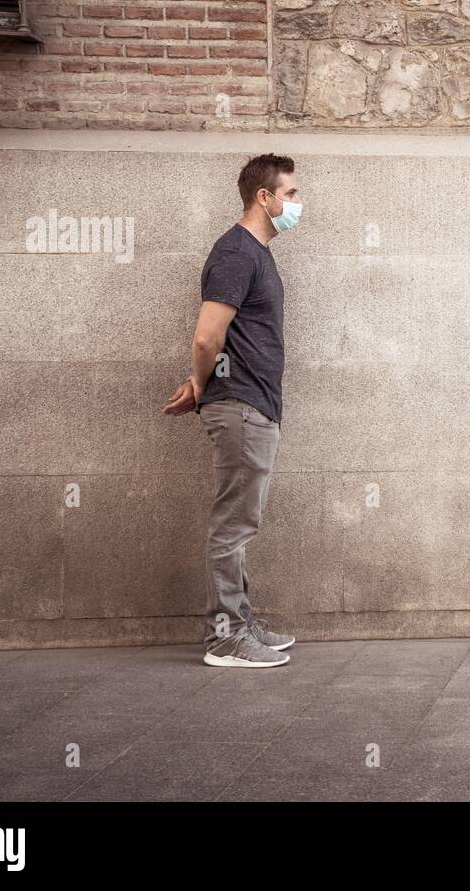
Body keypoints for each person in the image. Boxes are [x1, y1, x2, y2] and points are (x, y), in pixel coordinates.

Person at [163, 153, 302, 668]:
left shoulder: (256, 253)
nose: (296, 204)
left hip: (253, 405)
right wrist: (200, 384)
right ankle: (224, 639)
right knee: (233, 526)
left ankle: (239, 624)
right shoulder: (236, 252)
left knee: (241, 524)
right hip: (241, 404)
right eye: (289, 194)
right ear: (263, 198)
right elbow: (207, 335)